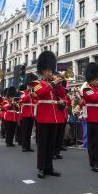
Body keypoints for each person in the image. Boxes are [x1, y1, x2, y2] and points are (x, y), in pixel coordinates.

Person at [31, 51, 65, 179]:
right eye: (47, 70)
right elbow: (42, 93)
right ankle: (41, 167)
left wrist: (60, 84)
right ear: (42, 71)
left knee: (51, 144)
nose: (49, 72)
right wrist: (53, 83)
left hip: (55, 117)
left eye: (51, 70)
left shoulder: (54, 84)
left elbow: (63, 95)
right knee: (43, 144)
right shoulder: (38, 83)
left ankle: (49, 167)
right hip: (44, 117)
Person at [20, 73, 37, 152]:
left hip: (32, 114)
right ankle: (24, 146)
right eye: (29, 85)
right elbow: (23, 100)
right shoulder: (23, 93)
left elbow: (35, 102)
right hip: (25, 113)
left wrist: (34, 96)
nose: (30, 87)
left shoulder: (33, 93)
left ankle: (28, 146)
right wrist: (30, 95)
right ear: (27, 85)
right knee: (25, 131)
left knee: (29, 131)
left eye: (31, 85)